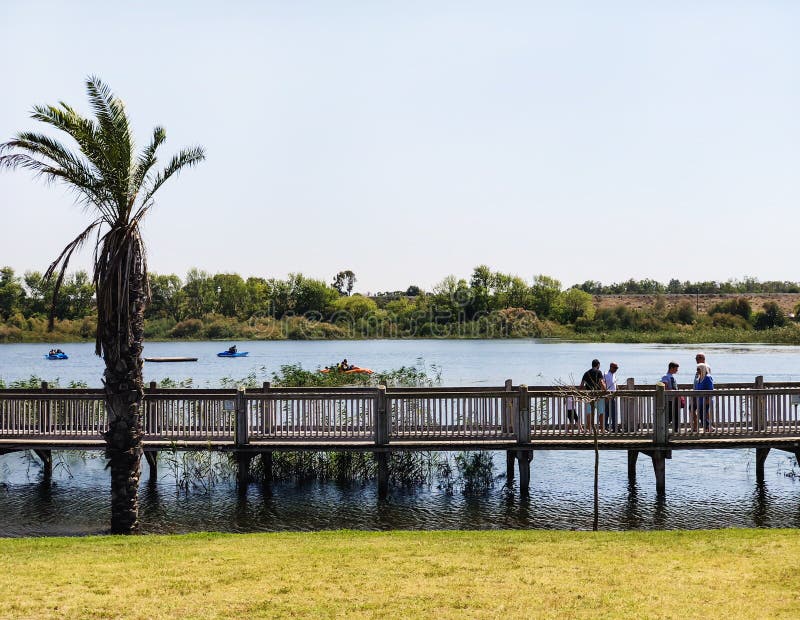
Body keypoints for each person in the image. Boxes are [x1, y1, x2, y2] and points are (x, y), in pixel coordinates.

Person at [580, 359, 607, 432]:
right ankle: (602, 429)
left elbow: (581, 385)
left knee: (589, 413)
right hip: (598, 396)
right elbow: (601, 382)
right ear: (598, 365)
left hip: (589, 396)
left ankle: (589, 429)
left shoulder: (586, 373)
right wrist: (605, 389)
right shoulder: (599, 372)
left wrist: (582, 394)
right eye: (599, 365)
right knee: (601, 412)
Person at [693, 362, 715, 432]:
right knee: (700, 414)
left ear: (703, 369)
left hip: (706, 400)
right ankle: (707, 428)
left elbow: (710, 389)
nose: (697, 371)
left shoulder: (707, 377)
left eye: (698, 370)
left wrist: (708, 399)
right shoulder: (699, 378)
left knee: (703, 414)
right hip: (699, 400)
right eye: (697, 370)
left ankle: (709, 427)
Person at [661, 361, 681, 432]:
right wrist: (672, 392)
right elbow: (664, 387)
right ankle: (663, 428)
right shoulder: (665, 376)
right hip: (669, 399)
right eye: (676, 369)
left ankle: (675, 430)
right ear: (671, 368)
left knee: (676, 415)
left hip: (675, 399)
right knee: (669, 415)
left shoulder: (672, 377)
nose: (677, 370)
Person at [604, 362, 619, 432]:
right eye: (615, 368)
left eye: (617, 368)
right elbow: (603, 384)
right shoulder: (605, 374)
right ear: (611, 367)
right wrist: (605, 395)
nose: (616, 369)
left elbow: (614, 384)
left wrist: (617, 389)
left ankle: (614, 428)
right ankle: (605, 428)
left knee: (613, 413)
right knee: (606, 413)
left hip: (613, 396)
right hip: (607, 396)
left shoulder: (614, 375)